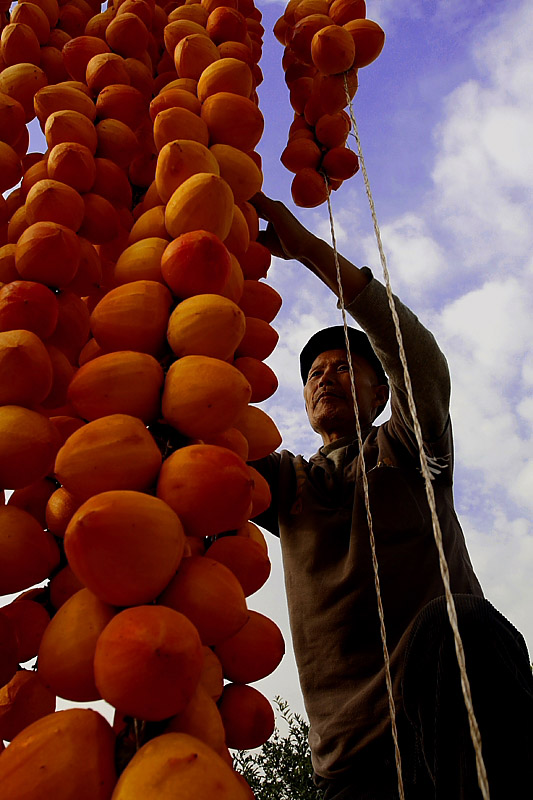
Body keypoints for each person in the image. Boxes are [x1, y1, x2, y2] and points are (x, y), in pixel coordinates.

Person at [249, 193, 533, 799]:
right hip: (349, 768)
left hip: (447, 720)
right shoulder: (289, 483)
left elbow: (418, 361)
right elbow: (201, 456)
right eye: (315, 372)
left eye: (348, 366)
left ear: (382, 395)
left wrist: (305, 250)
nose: (327, 375)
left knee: (460, 621)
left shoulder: (409, 450)